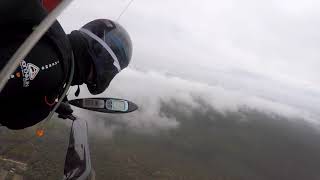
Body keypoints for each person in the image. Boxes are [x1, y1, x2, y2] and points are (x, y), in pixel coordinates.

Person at [0, 0, 133, 129]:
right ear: (104, 63)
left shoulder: (55, 40)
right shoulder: (54, 66)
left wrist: (51, 99)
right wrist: (43, 107)